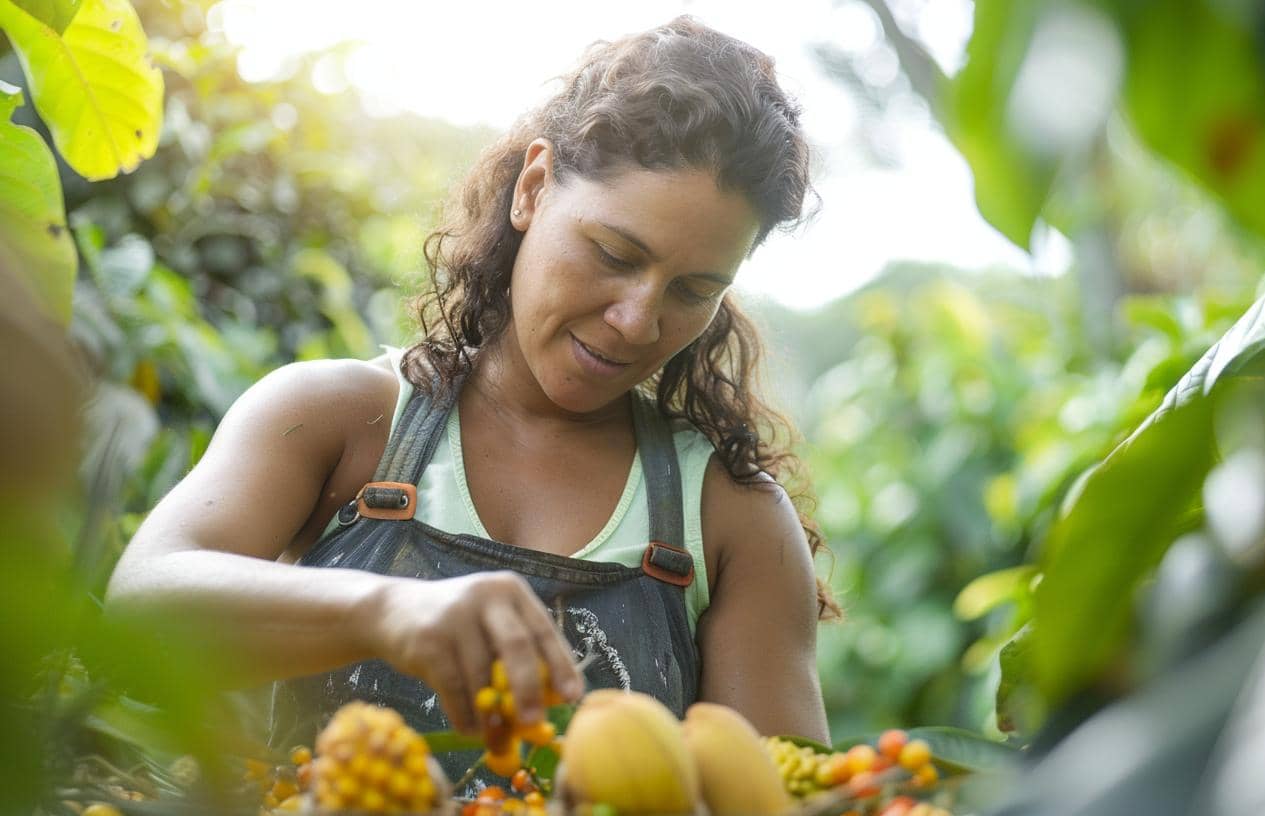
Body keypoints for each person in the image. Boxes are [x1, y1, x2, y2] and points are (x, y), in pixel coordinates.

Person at [106, 15, 837, 782]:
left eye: (692, 291)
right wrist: (384, 611)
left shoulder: (729, 519)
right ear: (533, 189)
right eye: (614, 254)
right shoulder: (338, 422)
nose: (637, 321)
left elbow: (786, 793)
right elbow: (139, 611)